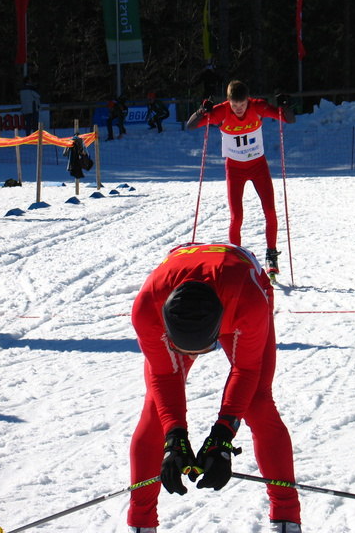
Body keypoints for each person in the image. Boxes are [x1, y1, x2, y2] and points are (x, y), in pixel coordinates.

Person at [127, 243, 302, 533]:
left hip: (239, 283)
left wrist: (222, 436)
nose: (191, 356)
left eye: (202, 350)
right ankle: (140, 522)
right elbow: (164, 376)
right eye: (180, 349)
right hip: (183, 283)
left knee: (258, 402)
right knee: (155, 410)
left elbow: (245, 370)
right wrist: (174, 436)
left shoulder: (249, 304)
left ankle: (286, 516)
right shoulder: (146, 308)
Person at [186, 80, 294, 276]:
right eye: (234, 105)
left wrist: (285, 106)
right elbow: (191, 125)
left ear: (248, 100)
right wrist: (202, 111)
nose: (238, 109)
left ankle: (271, 255)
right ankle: (236, 258)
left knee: (270, 211)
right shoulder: (221, 112)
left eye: (242, 104)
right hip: (235, 170)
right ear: (228, 101)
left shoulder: (258, 107)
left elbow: (289, 119)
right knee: (237, 217)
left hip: (258, 167)